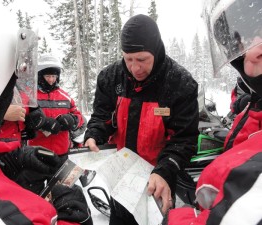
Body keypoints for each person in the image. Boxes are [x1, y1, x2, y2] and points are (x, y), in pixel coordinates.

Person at [0, 1, 90, 224]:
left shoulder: (64, 96)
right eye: (10, 82)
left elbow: (76, 117)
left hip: (27, 153)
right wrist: (74, 218)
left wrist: (6, 160)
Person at [84, 14, 199, 224]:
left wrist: (165, 170)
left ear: (155, 51)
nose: (135, 68)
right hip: (121, 179)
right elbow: (102, 117)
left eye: (142, 60)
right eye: (128, 59)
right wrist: (94, 134)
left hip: (157, 180)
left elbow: (184, 139)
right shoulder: (110, 78)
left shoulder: (180, 84)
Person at [165, 0, 262, 224]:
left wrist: (174, 220)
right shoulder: (254, 105)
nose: (251, 56)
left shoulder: (181, 80)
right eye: (243, 42)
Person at [28, 54, 84, 158]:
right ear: (40, 76)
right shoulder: (30, 96)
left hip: (62, 152)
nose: (51, 80)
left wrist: (72, 120)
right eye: (47, 76)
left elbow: (80, 118)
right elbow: (21, 121)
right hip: (36, 153)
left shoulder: (65, 97)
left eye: (54, 76)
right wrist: (40, 123)